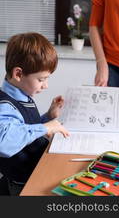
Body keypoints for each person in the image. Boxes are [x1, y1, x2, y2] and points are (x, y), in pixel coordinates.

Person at [0, 32, 69, 195]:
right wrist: (45, 128)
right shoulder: (5, 106)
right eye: (41, 79)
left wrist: (48, 116)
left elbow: (25, 127)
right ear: (18, 74)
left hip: (36, 169)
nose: (45, 86)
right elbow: (4, 143)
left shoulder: (23, 93)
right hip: (22, 184)